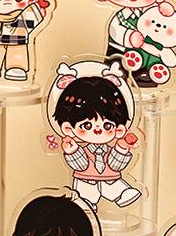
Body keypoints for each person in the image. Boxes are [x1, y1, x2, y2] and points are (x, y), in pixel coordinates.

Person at [48, 61, 140, 209]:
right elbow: (81, 165)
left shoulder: (111, 150)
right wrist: (72, 151)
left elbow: (115, 165)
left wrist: (122, 148)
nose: (97, 131)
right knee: (85, 193)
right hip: (85, 181)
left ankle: (122, 194)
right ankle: (85, 202)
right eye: (87, 126)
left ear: (119, 129)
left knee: (115, 186)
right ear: (68, 128)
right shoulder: (80, 150)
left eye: (107, 126)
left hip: (111, 179)